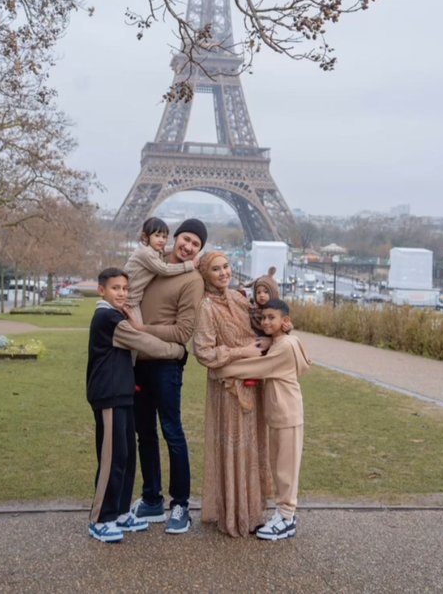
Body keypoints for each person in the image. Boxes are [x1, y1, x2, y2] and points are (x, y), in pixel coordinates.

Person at [86, 267, 186, 543]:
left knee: (126, 454)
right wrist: (178, 350)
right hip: (109, 395)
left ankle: (118, 511)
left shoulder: (115, 315)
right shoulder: (107, 317)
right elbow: (144, 343)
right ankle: (100, 518)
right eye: (115, 288)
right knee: (112, 457)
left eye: (125, 289)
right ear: (102, 290)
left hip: (122, 393)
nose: (122, 293)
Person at [128, 218, 207, 535]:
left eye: (196, 245)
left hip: (165, 366)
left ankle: (181, 505)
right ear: (175, 237)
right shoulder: (153, 263)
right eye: (186, 239)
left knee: (172, 431)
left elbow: (183, 332)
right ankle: (151, 499)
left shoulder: (192, 280)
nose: (188, 247)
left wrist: (142, 330)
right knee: (144, 433)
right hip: (137, 362)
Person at [214, 298, 312, 541]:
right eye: (264, 317)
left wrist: (219, 369)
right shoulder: (282, 342)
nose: (266, 322)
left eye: (272, 318)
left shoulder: (285, 346)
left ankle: (287, 518)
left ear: (285, 321)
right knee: (279, 467)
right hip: (280, 413)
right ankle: (283, 513)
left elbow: (256, 367)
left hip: (287, 413)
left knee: (286, 469)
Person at [192, 251, 272, 538]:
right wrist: (243, 352)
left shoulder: (240, 299)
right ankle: (235, 513)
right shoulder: (206, 307)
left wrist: (266, 336)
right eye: (216, 269)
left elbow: (260, 326)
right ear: (205, 275)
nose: (224, 272)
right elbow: (203, 352)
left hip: (253, 382)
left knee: (252, 447)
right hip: (228, 388)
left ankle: (252, 511)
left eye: (226, 266)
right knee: (234, 448)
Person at [124, 216, 199, 322]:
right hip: (130, 300)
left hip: (133, 298)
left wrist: (181, 247)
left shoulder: (153, 249)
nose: (161, 240)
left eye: (164, 237)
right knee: (136, 330)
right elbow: (164, 270)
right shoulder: (145, 253)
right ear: (145, 237)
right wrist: (189, 265)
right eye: (157, 235)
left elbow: (166, 250)